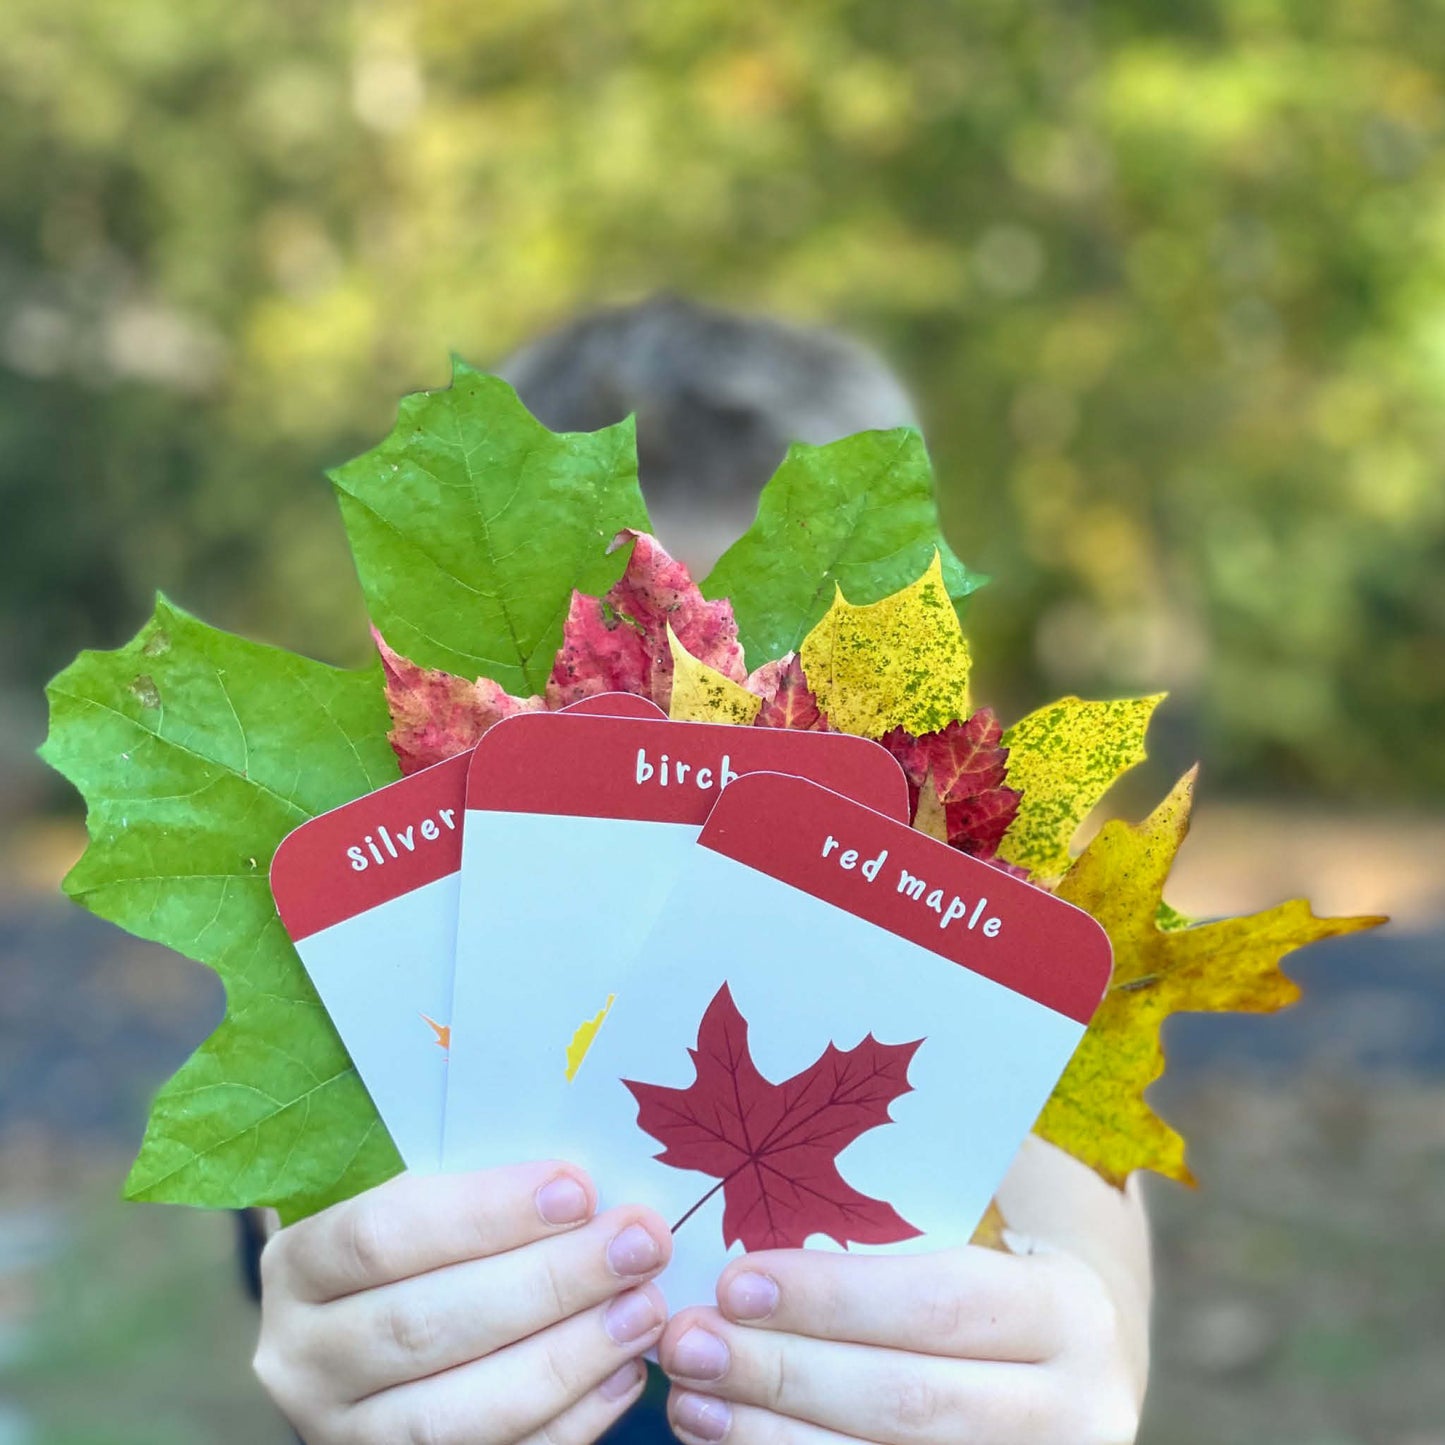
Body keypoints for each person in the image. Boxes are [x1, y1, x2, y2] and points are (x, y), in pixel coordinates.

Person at [250, 298, 1152, 1445]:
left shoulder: (986, 961)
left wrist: (1080, 1357)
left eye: (780, 724)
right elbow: (305, 1258)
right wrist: (346, 1344)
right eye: (619, 726)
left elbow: (1084, 1250)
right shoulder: (369, 979)